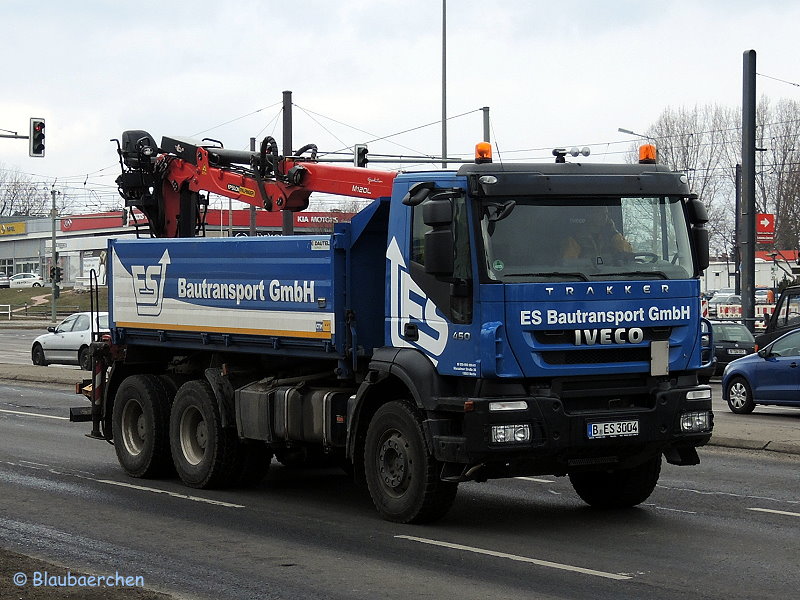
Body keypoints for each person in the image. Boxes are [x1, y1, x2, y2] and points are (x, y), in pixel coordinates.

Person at [561, 205, 632, 262]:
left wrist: (614, 233)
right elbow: (568, 264)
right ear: (589, 215)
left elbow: (627, 254)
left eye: (606, 213)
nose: (604, 216)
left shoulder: (612, 238)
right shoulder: (576, 239)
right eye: (599, 212)